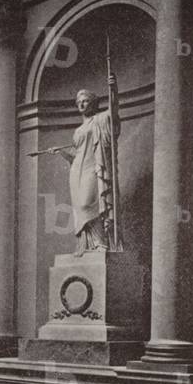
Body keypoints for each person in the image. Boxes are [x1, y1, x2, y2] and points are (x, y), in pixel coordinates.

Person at [51, 78, 122, 255]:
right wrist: (61, 152)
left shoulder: (100, 119)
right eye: (79, 102)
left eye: (86, 101)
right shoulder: (78, 131)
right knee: (80, 207)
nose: (82, 104)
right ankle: (88, 245)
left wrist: (113, 89)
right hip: (77, 171)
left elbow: (114, 112)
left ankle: (101, 242)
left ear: (93, 104)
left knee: (87, 203)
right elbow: (75, 156)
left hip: (94, 167)